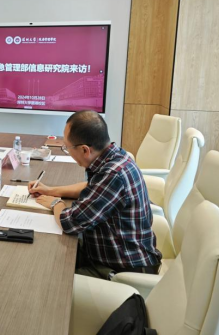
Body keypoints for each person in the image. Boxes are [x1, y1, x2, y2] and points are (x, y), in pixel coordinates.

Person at [29, 110, 161, 279]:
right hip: (118, 254)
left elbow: (70, 222)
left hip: (125, 268)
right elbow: (92, 187)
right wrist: (51, 190)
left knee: (50, 275)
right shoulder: (115, 156)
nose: (67, 151)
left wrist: (55, 203)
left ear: (85, 150)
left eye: (67, 147)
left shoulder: (113, 176)